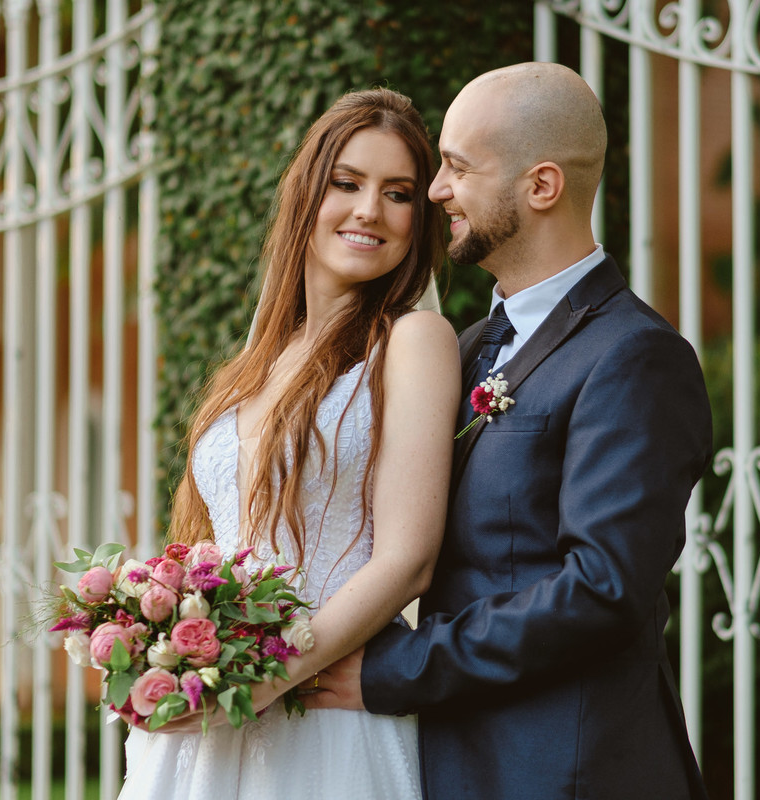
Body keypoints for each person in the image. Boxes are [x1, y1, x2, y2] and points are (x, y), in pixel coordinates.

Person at [305, 63, 713, 800]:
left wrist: (400, 668)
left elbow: (602, 589)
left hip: (565, 771)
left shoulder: (635, 357)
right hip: (454, 759)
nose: (435, 192)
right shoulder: (463, 349)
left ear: (542, 186)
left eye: (457, 168)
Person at [116, 88, 460, 799]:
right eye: (348, 183)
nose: (369, 210)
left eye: (398, 194)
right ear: (307, 194)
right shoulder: (258, 362)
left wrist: (266, 678)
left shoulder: (413, 343)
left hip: (325, 714)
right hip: (210, 717)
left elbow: (408, 560)